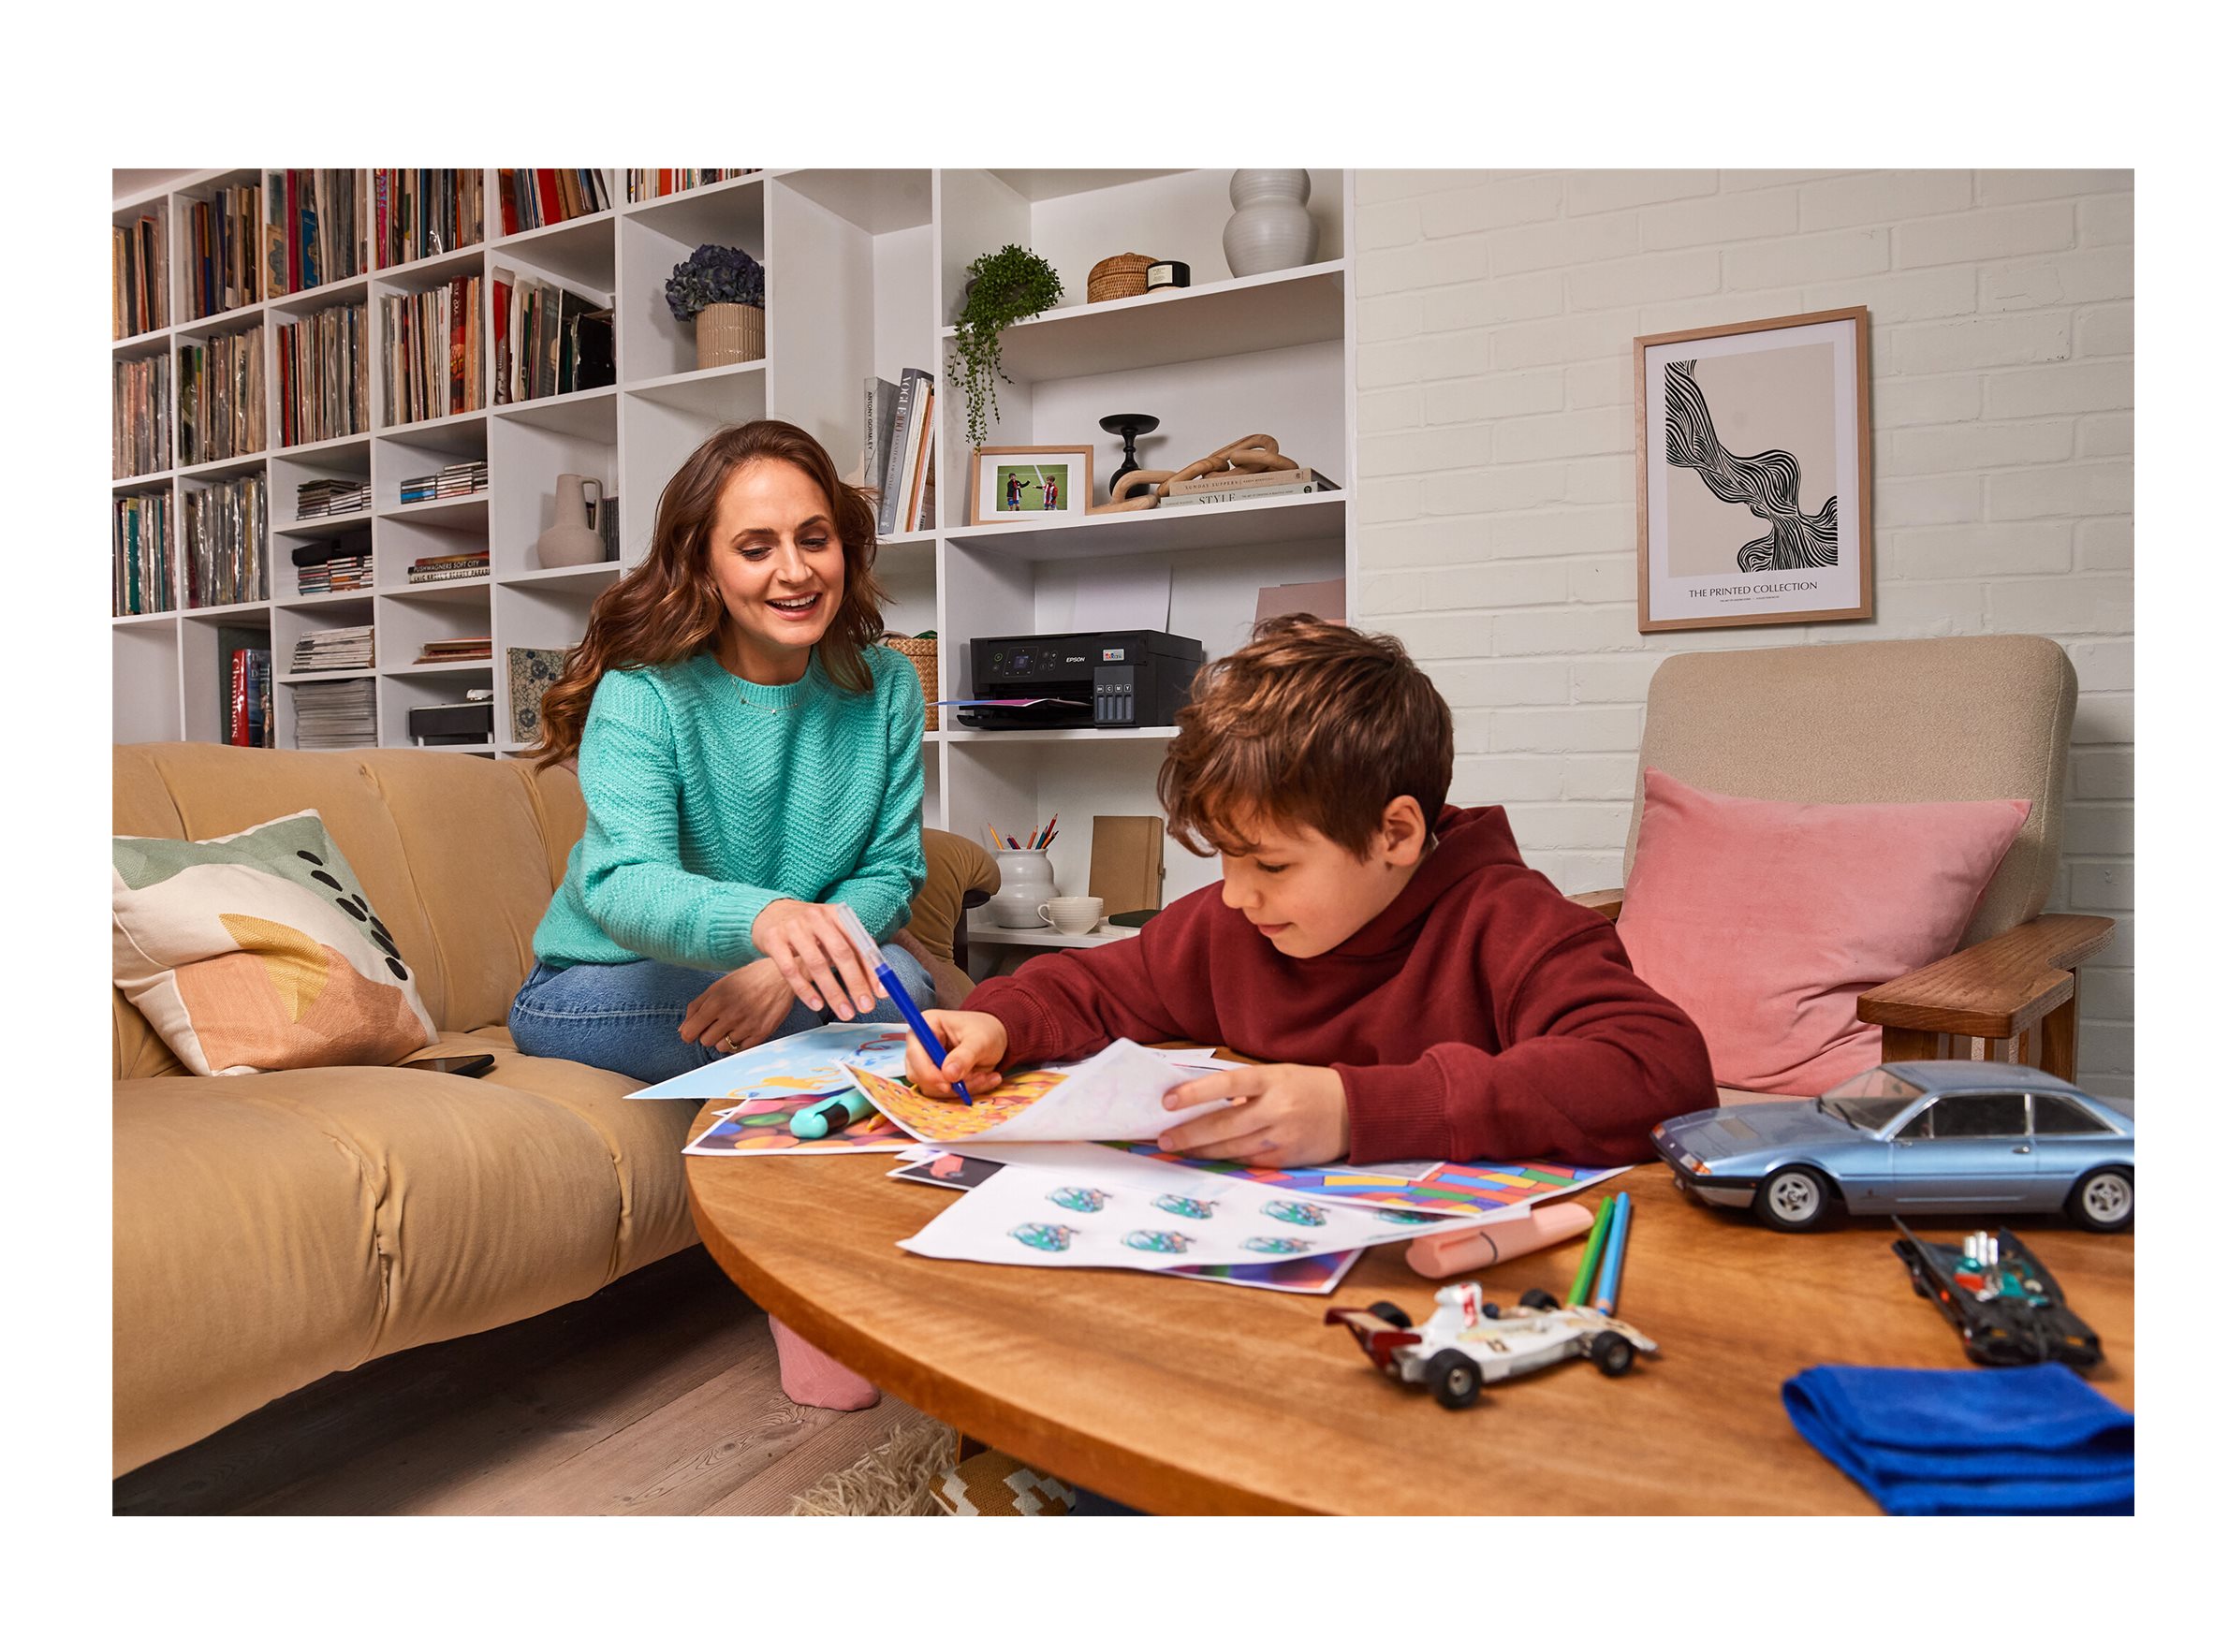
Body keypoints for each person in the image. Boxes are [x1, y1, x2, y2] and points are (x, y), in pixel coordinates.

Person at [902, 615, 1717, 1170]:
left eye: (1271, 865)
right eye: (1226, 858)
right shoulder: (1234, 925)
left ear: (1395, 835)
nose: (1234, 896)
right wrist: (997, 1023)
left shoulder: (1506, 922)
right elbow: (1095, 985)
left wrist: (1354, 1111)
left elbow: (1659, 1068)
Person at [510, 418, 931, 1411]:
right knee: (897, 1002)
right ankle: (817, 1295)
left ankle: (890, 1265)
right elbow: (624, 883)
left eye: (814, 539)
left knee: (906, 986)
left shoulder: (887, 687)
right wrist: (769, 923)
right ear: (703, 564)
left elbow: (892, 868)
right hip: (594, 986)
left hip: (777, 972)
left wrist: (784, 965)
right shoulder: (645, 693)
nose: (795, 571)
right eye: (756, 546)